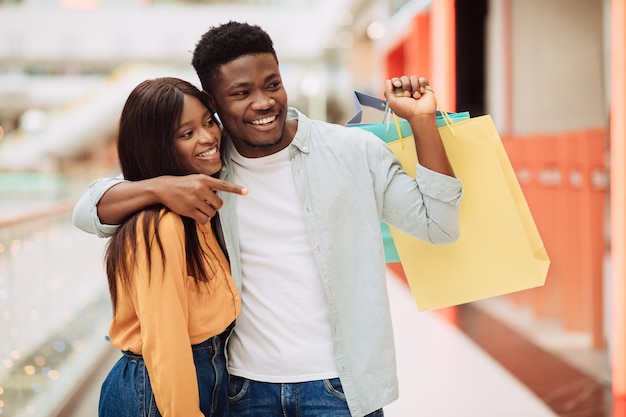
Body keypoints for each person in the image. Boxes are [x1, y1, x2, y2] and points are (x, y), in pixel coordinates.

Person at [74, 21, 463, 417]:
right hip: (242, 389)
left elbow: (439, 225)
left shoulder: (352, 150)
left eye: (272, 84)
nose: (263, 102)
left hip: (341, 389)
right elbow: (87, 210)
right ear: (214, 102)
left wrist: (421, 122)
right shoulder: (205, 166)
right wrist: (159, 189)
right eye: (241, 93)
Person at [97, 77, 244, 417]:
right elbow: (166, 343)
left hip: (202, 371)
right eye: (186, 133)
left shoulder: (196, 211)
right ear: (156, 146)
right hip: (158, 387)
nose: (208, 137)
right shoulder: (162, 225)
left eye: (209, 122)